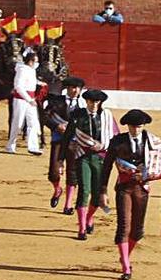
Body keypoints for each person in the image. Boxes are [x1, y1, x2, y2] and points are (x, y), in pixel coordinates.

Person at [100, 109, 161, 280]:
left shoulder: (152, 142)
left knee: (137, 230)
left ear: (143, 126)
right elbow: (106, 167)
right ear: (128, 126)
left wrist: (147, 175)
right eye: (133, 126)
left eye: (139, 126)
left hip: (142, 188)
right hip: (124, 188)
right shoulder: (117, 142)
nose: (136, 130)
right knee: (124, 226)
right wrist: (102, 191)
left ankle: (126, 256)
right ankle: (125, 266)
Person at [72, 88, 118, 240]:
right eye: (91, 101)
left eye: (96, 102)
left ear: (100, 103)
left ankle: (88, 217)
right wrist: (60, 160)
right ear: (86, 101)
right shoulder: (78, 115)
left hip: (101, 157)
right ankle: (82, 227)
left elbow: (114, 138)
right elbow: (69, 135)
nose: (93, 104)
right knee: (84, 190)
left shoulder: (106, 117)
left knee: (97, 194)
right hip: (83, 156)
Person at [46, 77, 85, 214]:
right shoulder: (56, 101)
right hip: (59, 139)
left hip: (75, 142)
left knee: (72, 172)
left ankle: (68, 205)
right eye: (72, 88)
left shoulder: (84, 105)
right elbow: (45, 117)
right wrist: (56, 126)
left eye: (77, 88)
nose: (75, 90)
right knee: (53, 172)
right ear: (67, 89)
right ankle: (57, 189)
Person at [6, 49, 43, 155]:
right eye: (35, 61)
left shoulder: (31, 70)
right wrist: (29, 99)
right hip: (21, 100)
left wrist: (40, 83)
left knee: (33, 123)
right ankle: (11, 145)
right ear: (30, 61)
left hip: (30, 99)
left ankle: (33, 147)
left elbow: (30, 81)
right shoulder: (22, 70)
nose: (37, 63)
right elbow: (18, 86)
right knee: (18, 123)